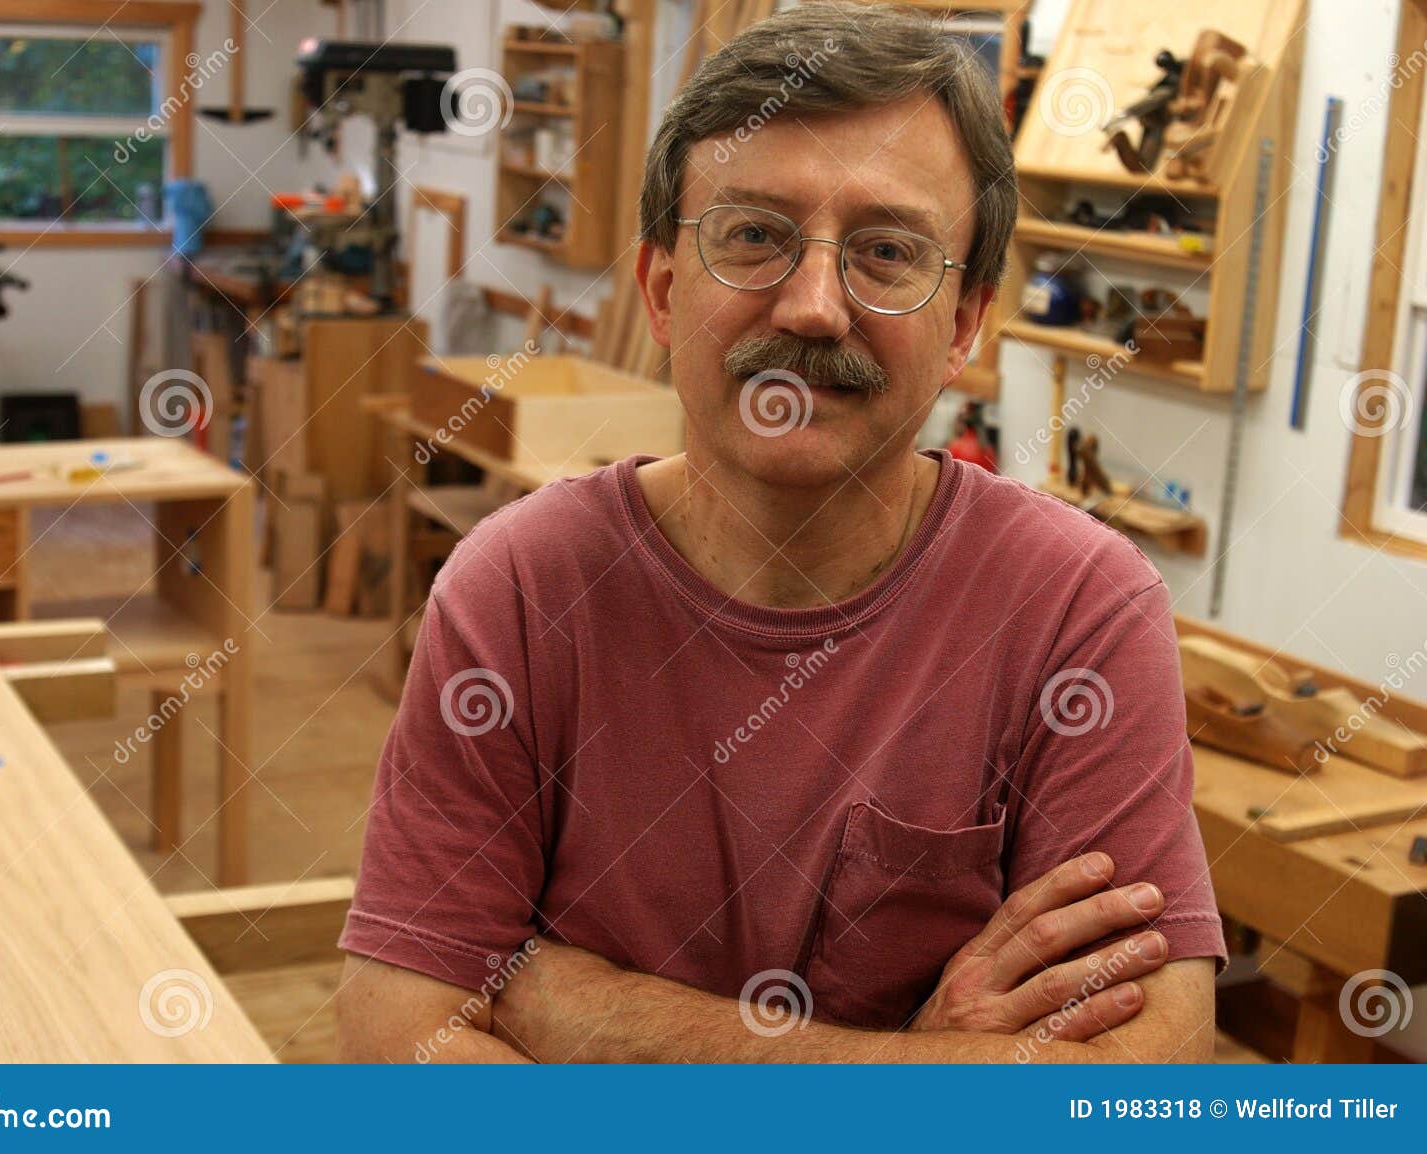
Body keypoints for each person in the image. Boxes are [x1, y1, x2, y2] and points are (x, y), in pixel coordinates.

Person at [336, 2, 1225, 1062]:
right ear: (663, 291)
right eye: (754, 235)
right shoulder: (520, 588)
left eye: (887, 252)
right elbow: (398, 1040)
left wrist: (590, 1013)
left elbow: (1133, 1085)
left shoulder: (1079, 608)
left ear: (967, 323)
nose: (812, 307)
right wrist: (929, 1062)